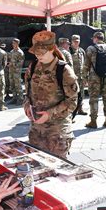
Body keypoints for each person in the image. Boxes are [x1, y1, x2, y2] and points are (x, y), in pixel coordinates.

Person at [23, 31, 79, 159]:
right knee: (37, 167)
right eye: (36, 52)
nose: (38, 55)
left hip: (57, 132)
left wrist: (49, 114)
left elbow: (72, 101)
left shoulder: (63, 70)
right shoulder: (32, 68)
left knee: (58, 172)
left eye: (42, 52)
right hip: (36, 131)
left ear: (52, 49)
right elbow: (27, 94)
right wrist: (26, 105)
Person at [82, 31, 106, 129]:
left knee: (94, 99)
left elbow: (86, 65)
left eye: (93, 38)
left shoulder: (91, 49)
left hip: (94, 77)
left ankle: (93, 122)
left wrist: (84, 77)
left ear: (96, 38)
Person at [70, 34, 88, 120]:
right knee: (73, 94)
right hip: (73, 77)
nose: (76, 43)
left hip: (81, 77)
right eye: (75, 41)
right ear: (72, 41)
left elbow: (85, 64)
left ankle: (80, 108)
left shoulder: (81, 51)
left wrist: (86, 76)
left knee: (81, 93)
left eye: (77, 41)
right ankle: (71, 112)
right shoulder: (69, 51)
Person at [7, 38, 25, 104]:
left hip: (16, 71)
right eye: (12, 43)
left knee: (18, 85)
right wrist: (8, 64)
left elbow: (21, 63)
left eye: (14, 43)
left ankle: (20, 99)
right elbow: (10, 60)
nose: (12, 44)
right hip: (11, 70)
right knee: (12, 85)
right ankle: (14, 98)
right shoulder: (11, 52)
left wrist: (13, 64)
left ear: (17, 43)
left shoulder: (20, 52)